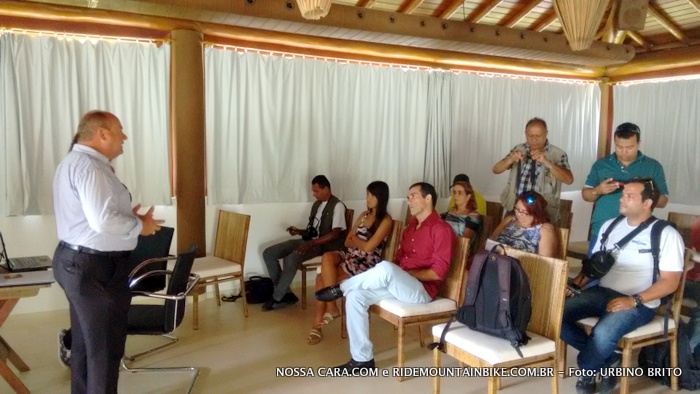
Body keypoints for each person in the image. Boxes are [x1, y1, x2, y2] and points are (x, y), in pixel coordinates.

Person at [52, 110, 163, 394]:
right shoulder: (90, 167)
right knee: (105, 351)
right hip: (95, 268)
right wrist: (140, 225)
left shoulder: (75, 162)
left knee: (85, 347)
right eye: (119, 131)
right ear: (102, 134)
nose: (124, 137)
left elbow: (97, 214)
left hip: (76, 262)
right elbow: (102, 221)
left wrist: (128, 216)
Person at [315, 182, 455, 372]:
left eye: (413, 195)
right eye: (408, 196)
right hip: (400, 285)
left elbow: (437, 272)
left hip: (421, 291)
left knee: (385, 269)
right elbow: (398, 259)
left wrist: (405, 274)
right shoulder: (411, 228)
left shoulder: (441, 229)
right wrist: (399, 274)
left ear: (428, 198)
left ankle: (340, 288)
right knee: (356, 297)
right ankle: (362, 360)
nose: (409, 200)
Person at [562, 179, 684, 394]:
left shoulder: (665, 234)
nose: (621, 198)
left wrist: (633, 300)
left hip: (640, 301)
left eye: (629, 196)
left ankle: (588, 370)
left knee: (603, 333)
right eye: (623, 194)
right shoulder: (610, 225)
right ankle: (609, 360)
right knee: (556, 314)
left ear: (647, 203)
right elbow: (594, 267)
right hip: (602, 292)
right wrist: (574, 286)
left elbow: (670, 282)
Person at [307, 181, 392, 345]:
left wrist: (357, 240)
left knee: (320, 280)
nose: (368, 198)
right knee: (327, 257)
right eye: (367, 194)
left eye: (371, 195)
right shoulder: (363, 215)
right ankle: (332, 307)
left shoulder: (385, 221)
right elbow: (347, 242)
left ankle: (317, 326)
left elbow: (369, 249)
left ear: (380, 197)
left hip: (366, 263)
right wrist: (359, 242)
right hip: (351, 256)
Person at [582, 122, 669, 255]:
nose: (624, 152)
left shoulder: (653, 166)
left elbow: (663, 201)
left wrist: (642, 192)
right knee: (596, 272)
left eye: (629, 147)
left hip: (637, 231)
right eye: (619, 147)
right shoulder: (601, 165)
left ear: (639, 143)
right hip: (602, 228)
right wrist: (598, 190)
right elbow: (586, 196)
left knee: (630, 273)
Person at [262, 175, 347, 311]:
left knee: (292, 258)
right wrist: (299, 231)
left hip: (324, 247)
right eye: (313, 191)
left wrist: (311, 243)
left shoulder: (338, 206)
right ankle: (286, 294)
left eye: (316, 191)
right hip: (311, 242)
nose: (314, 194)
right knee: (269, 253)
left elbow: (335, 233)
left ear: (326, 189)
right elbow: (313, 231)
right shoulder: (317, 205)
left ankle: (277, 297)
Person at [492, 117, 573, 225]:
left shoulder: (558, 154)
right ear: (525, 133)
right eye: (530, 136)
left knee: (539, 240)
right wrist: (510, 159)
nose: (534, 139)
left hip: (543, 211)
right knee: (507, 239)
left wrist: (547, 162)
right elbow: (496, 169)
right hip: (516, 208)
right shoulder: (519, 149)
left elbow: (569, 180)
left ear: (546, 134)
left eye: (538, 136)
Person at [488, 191, 556, 257]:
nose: (519, 214)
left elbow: (545, 261)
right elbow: (492, 240)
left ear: (536, 213)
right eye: (517, 209)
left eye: (524, 212)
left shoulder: (545, 229)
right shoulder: (510, 219)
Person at [442, 180, 482, 250]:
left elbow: (465, 240)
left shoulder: (473, 215)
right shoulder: (449, 213)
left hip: (460, 251)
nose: (456, 196)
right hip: (444, 247)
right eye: (454, 192)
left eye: (460, 193)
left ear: (468, 196)